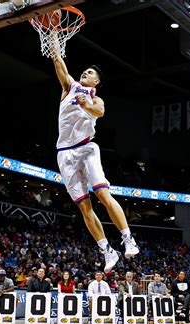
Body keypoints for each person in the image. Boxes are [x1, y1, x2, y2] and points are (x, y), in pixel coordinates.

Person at [51, 47, 139, 273]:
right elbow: (57, 59)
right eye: (85, 71)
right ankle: (107, 250)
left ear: (97, 82)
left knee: (102, 193)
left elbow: (99, 112)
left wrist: (85, 104)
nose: (85, 73)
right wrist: (51, 34)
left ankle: (128, 238)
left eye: (90, 73)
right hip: (64, 153)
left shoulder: (96, 99)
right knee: (84, 206)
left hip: (87, 148)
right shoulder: (69, 86)